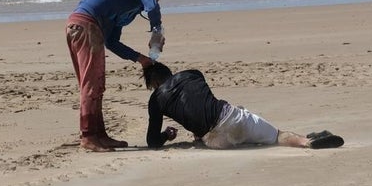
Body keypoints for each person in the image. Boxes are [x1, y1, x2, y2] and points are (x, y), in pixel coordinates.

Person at [142, 62, 344, 149]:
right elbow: (199, 100)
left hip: (215, 142)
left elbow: (152, 141)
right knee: (277, 136)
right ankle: (305, 142)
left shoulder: (156, 100)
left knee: (210, 136)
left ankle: (309, 137)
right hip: (230, 117)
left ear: (154, 84)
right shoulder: (192, 74)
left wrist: (166, 135)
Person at [66, 0, 166, 152]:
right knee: (91, 85)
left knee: (97, 85)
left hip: (83, 26)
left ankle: (99, 135)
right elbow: (152, 6)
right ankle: (88, 136)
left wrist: (139, 58)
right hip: (86, 24)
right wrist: (156, 31)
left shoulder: (126, 11)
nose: (147, 7)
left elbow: (111, 42)